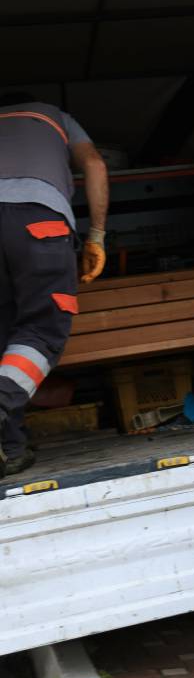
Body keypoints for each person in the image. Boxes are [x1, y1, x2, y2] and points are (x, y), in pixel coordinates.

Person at [0, 93, 109, 477]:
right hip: (37, 221)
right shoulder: (57, 117)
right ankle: (4, 406)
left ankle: (10, 449)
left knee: (5, 338)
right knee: (42, 330)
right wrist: (96, 236)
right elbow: (94, 163)